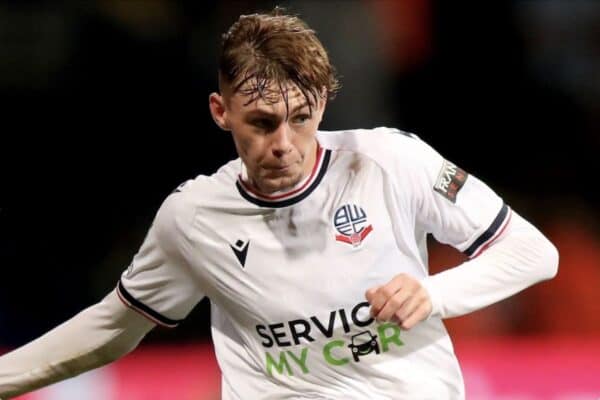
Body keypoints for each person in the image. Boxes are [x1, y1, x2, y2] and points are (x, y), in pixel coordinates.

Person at [0, 8, 558, 400]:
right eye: (262, 123)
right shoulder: (193, 219)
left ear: (321, 101)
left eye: (300, 118)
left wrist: (433, 292)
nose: (284, 144)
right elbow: (110, 328)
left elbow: (534, 254)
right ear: (221, 111)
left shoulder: (390, 161)